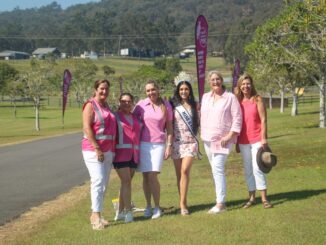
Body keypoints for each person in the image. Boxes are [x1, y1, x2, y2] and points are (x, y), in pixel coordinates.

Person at [200, 71, 242, 214]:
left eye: (218, 79)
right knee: (215, 170)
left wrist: (230, 136)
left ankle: (221, 203)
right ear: (208, 82)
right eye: (212, 80)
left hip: (224, 140)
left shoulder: (230, 97)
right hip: (207, 139)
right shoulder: (205, 97)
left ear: (222, 80)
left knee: (217, 168)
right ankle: (219, 199)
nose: (215, 82)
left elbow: (237, 118)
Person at [133, 80, 173, 219]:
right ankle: (148, 206)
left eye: (153, 89)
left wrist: (169, 145)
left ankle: (157, 207)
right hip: (143, 144)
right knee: (145, 176)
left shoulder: (165, 105)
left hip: (159, 144)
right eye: (148, 91)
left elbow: (169, 126)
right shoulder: (140, 105)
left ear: (158, 89)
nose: (151, 93)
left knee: (152, 175)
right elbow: (133, 121)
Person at [82, 79, 116, 230]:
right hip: (93, 149)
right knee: (97, 181)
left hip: (108, 150)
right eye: (101, 89)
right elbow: (87, 127)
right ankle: (95, 216)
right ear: (95, 89)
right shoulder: (90, 105)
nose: (104, 91)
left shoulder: (106, 105)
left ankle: (98, 213)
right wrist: (97, 148)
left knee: (103, 184)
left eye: (107, 89)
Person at [235, 73, 273, 209]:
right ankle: (251, 198)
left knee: (258, 169)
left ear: (252, 85)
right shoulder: (237, 102)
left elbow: (263, 119)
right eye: (243, 84)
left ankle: (264, 199)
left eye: (248, 83)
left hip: (257, 139)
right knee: (248, 170)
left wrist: (264, 138)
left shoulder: (257, 99)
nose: (246, 86)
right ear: (240, 86)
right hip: (243, 141)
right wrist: (237, 142)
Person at [170, 72, 199, 216]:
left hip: (190, 143)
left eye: (186, 89)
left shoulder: (196, 105)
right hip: (176, 144)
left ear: (190, 90)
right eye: (181, 89)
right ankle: (183, 201)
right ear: (178, 90)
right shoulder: (173, 105)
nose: (183, 91)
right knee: (179, 176)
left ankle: (182, 205)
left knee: (185, 171)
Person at [113, 93, 141, 223]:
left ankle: (119, 212)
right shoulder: (115, 116)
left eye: (129, 101)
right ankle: (128, 212)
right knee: (126, 181)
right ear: (119, 102)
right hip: (120, 154)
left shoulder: (135, 117)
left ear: (132, 103)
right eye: (123, 101)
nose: (126, 103)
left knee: (125, 183)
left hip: (134, 154)